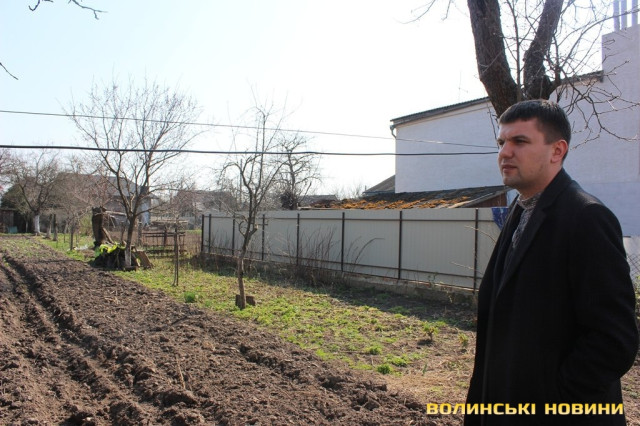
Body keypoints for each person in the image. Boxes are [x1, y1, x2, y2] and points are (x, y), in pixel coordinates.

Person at [465, 99, 639, 425]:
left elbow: (614, 340)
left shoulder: (587, 217)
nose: (504, 152)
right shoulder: (521, 210)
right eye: (501, 142)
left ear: (557, 151)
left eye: (520, 141)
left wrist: (551, 400)